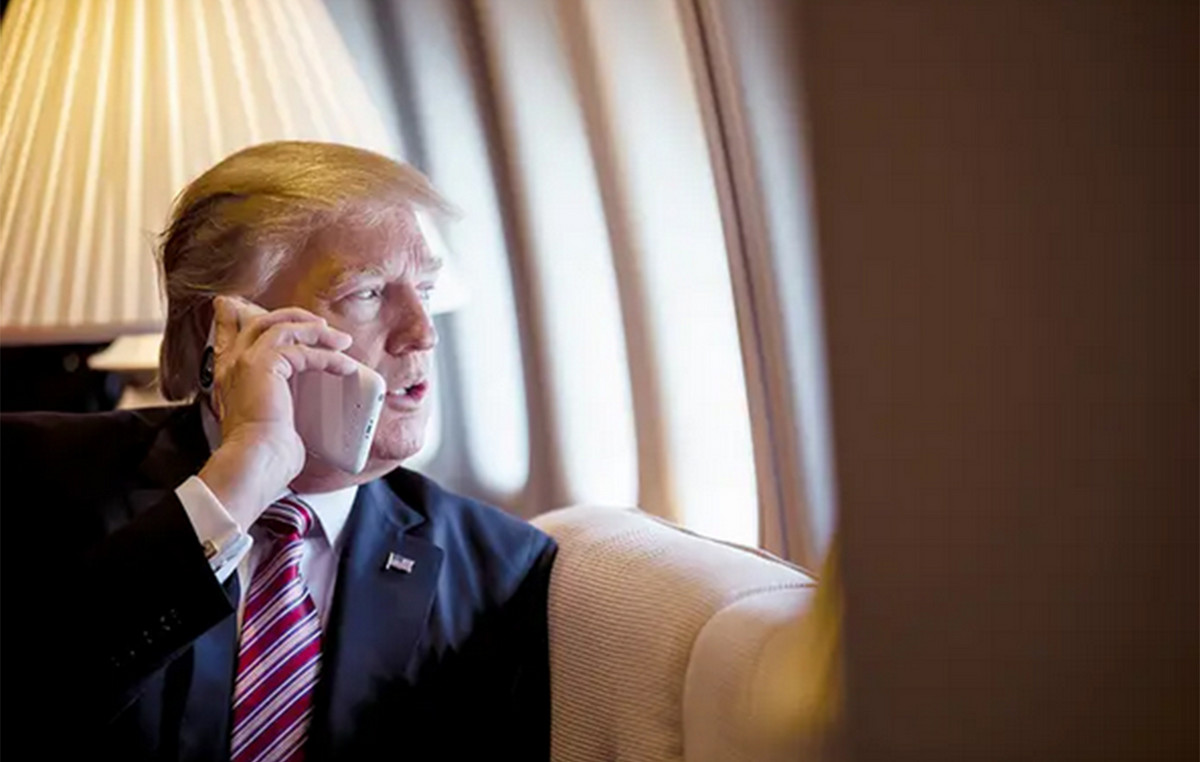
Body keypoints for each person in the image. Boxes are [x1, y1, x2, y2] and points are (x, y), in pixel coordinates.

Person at [0, 141, 557, 761]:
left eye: (425, 289)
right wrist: (241, 479)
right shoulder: (31, 473)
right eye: (367, 293)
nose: (422, 333)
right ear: (224, 329)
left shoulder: (501, 566)